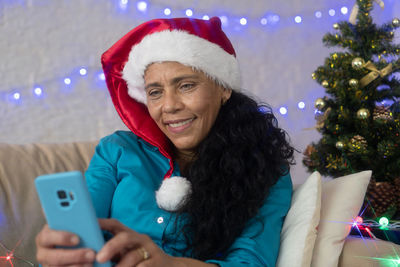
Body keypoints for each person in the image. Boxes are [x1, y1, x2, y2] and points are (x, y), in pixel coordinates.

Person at [35, 17, 295, 267]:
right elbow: (82, 235)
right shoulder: (117, 151)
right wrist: (60, 252)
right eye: (155, 92)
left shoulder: (266, 168)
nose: (169, 106)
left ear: (224, 88)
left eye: (186, 86)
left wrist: (171, 265)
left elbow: (250, 261)